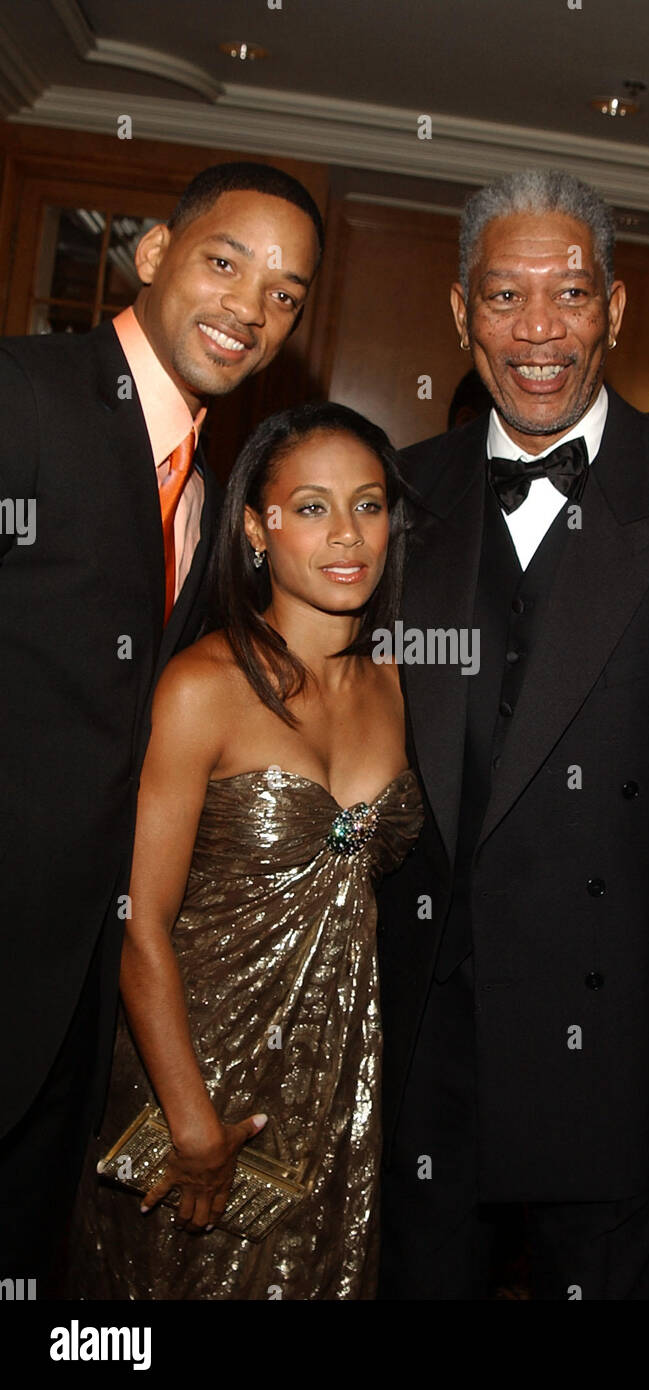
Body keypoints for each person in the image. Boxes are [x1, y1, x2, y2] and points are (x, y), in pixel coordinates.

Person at [376, 169, 649, 1300]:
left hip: (619, 1041)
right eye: (504, 297)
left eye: (570, 294)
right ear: (460, 312)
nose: (538, 332)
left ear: (615, 310)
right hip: (427, 1042)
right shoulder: (392, 500)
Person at [0, 161, 324, 1289]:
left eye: (285, 294)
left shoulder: (207, 483)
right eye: (226, 262)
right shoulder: (24, 394)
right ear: (152, 254)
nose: (251, 307)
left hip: (75, 1004)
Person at [69, 402, 422, 1300]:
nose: (347, 535)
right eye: (311, 507)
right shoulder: (203, 687)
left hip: (341, 1075)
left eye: (369, 505)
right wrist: (191, 1121)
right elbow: (138, 922)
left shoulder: (402, 687)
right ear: (260, 528)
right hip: (190, 1062)